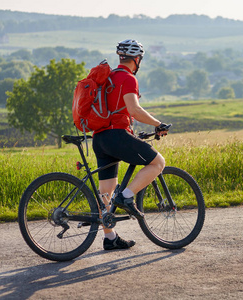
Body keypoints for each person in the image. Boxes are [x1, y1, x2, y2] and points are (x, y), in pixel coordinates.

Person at [92, 39, 168, 250]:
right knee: (158, 163)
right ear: (136, 59)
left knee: (106, 193)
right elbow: (134, 109)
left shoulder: (109, 78)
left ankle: (110, 238)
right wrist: (158, 123)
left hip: (100, 138)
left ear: (120, 57)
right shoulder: (127, 78)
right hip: (117, 136)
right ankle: (127, 196)